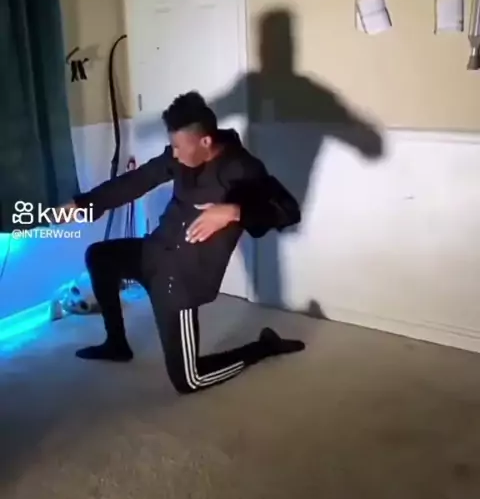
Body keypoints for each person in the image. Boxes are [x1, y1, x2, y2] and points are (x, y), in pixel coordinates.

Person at [63, 92, 305, 394]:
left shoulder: (242, 169)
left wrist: (233, 211)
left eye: (178, 146)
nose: (174, 153)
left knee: (190, 380)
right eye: (172, 145)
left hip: (182, 281)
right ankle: (116, 344)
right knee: (99, 256)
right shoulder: (180, 157)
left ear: (205, 141)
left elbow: (288, 211)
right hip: (154, 253)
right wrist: (84, 204)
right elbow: (138, 180)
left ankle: (265, 346)